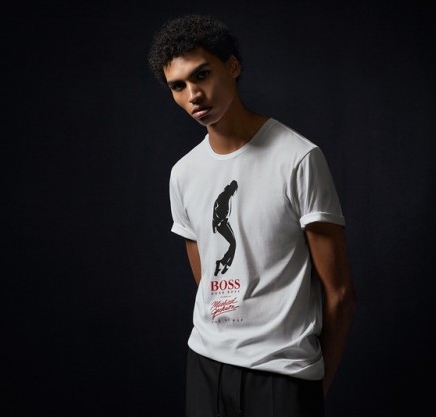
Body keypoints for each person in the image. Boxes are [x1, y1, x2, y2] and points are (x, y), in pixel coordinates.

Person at [148, 14, 357, 417]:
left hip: (283, 374)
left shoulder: (297, 159)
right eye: (178, 86)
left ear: (233, 66)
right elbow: (208, 279)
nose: (194, 95)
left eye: (202, 75)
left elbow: (341, 295)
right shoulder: (183, 173)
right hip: (206, 365)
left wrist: (311, 389)